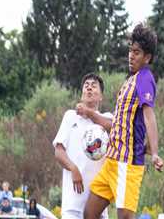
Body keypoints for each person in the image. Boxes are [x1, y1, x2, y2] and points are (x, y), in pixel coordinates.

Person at [80, 24, 164, 219]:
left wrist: (155, 152)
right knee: (89, 214)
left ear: (147, 57)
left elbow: (149, 116)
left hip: (127, 165)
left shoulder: (145, 78)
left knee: (125, 217)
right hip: (111, 161)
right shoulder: (130, 80)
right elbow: (119, 123)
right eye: (130, 51)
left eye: (137, 52)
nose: (131, 56)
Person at [53, 73, 113, 219]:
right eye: (86, 86)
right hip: (72, 205)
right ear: (82, 94)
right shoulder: (70, 116)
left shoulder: (107, 118)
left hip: (97, 207)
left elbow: (113, 128)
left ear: (101, 97)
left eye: (94, 86)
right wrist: (73, 169)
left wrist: (88, 112)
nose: (89, 88)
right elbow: (58, 151)